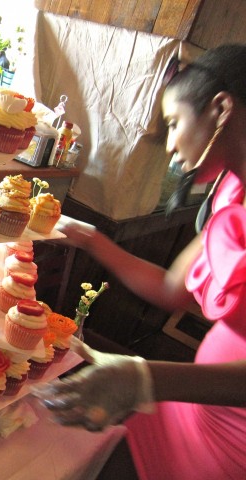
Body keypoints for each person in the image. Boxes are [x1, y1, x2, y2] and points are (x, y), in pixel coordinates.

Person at [35, 44, 246, 480]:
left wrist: (144, 380)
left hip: (232, 443)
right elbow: (174, 290)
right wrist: (92, 240)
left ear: (221, 109)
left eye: (173, 123)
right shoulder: (230, 193)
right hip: (190, 406)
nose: (170, 145)